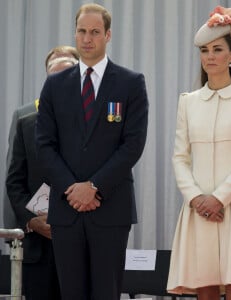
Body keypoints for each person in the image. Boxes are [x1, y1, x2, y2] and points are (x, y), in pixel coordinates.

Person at [35, 3, 148, 300]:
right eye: (82, 31)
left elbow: (133, 145)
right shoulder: (54, 85)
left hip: (110, 209)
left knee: (106, 293)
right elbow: (44, 144)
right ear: (75, 33)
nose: (87, 38)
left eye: (95, 32)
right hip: (66, 209)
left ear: (108, 35)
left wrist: (94, 187)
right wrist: (72, 188)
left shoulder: (130, 83)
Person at [167, 6, 231, 300]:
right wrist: (198, 198)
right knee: (206, 289)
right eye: (204, 50)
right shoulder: (188, 102)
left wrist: (219, 198)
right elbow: (180, 157)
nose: (210, 56)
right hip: (198, 208)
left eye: (217, 49)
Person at [5, 56, 78, 300]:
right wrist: (30, 221)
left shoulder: (95, 125)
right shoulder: (27, 125)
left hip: (81, 243)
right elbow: (14, 182)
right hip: (38, 246)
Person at [3, 45, 80, 230]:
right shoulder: (25, 119)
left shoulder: (93, 119)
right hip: (37, 234)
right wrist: (30, 220)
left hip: (80, 229)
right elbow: (15, 179)